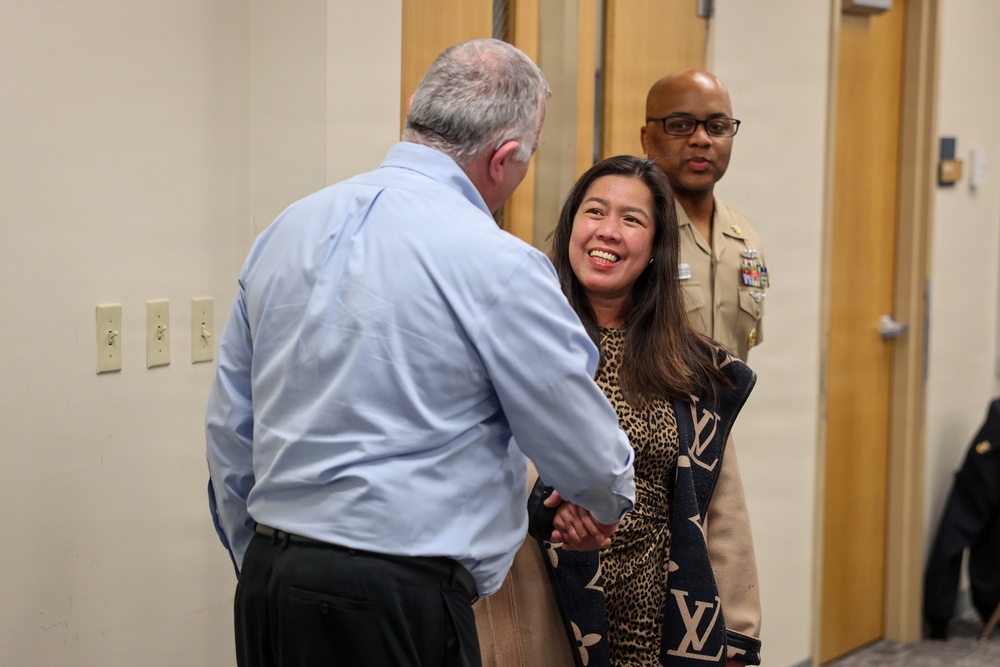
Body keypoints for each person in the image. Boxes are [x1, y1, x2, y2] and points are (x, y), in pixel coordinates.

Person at [205, 38, 636, 667]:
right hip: (398, 602)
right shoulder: (500, 264)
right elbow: (585, 451)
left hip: (271, 589)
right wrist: (599, 499)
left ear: (414, 109)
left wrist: (268, 559)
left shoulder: (286, 229)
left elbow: (229, 428)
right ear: (505, 157)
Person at [476, 156, 761, 666]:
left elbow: (720, 507)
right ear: (570, 227)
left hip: (658, 623)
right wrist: (553, 502)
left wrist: (737, 634)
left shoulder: (690, 364)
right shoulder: (513, 336)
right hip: (543, 613)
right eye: (595, 212)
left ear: (655, 247)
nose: (608, 232)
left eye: (632, 220)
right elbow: (478, 461)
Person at [640, 70, 767, 362]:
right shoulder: (617, 230)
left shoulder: (743, 238)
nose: (701, 139)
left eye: (717, 126)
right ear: (647, 139)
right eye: (681, 125)